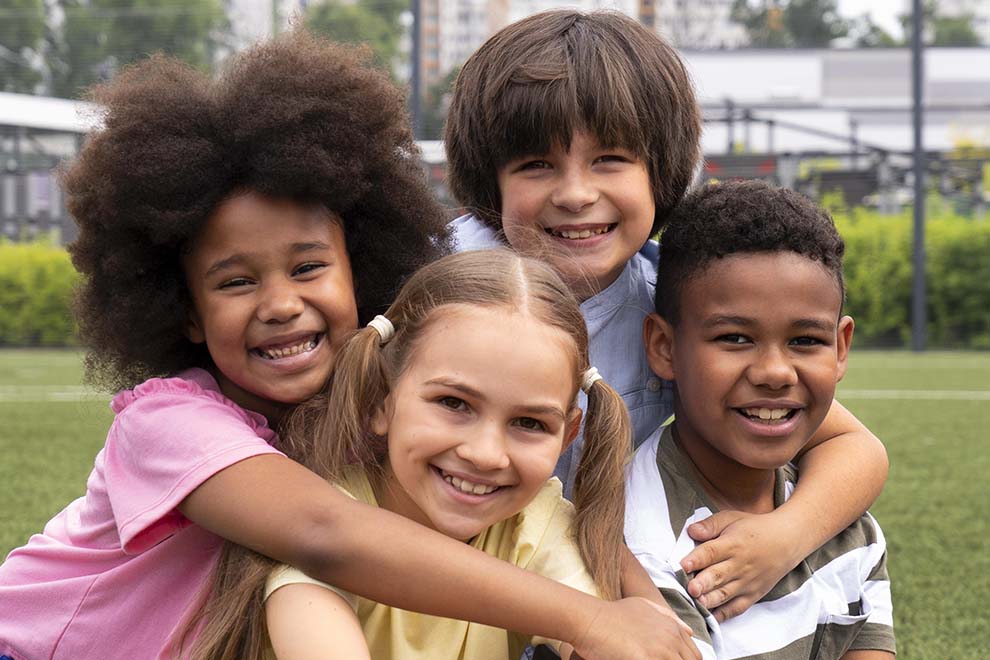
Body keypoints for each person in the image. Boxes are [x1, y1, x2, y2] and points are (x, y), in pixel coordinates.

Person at [0, 32, 692, 660]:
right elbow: (325, 534)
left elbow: (553, 510)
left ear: (360, 266)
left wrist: (635, 601)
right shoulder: (168, 426)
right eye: (236, 281)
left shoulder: (379, 399)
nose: (280, 303)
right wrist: (585, 618)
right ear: (181, 307)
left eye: (308, 268)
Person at [443, 9, 890, 619]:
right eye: (536, 164)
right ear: (490, 180)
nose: (575, 193)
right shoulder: (431, 286)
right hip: (446, 585)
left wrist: (783, 538)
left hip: (610, 590)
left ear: (661, 169)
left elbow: (854, 447)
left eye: (610, 159)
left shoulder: (671, 301)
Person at [191, 249, 694, 660]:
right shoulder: (324, 523)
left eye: (528, 423)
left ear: (567, 436)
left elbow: (606, 643)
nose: (484, 454)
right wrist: (595, 624)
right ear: (378, 402)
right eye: (454, 404)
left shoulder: (536, 525)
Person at [626, 180, 895, 659]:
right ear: (664, 348)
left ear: (841, 347)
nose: (775, 372)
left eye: (806, 340)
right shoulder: (647, 546)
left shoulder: (844, 521)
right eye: (734, 338)